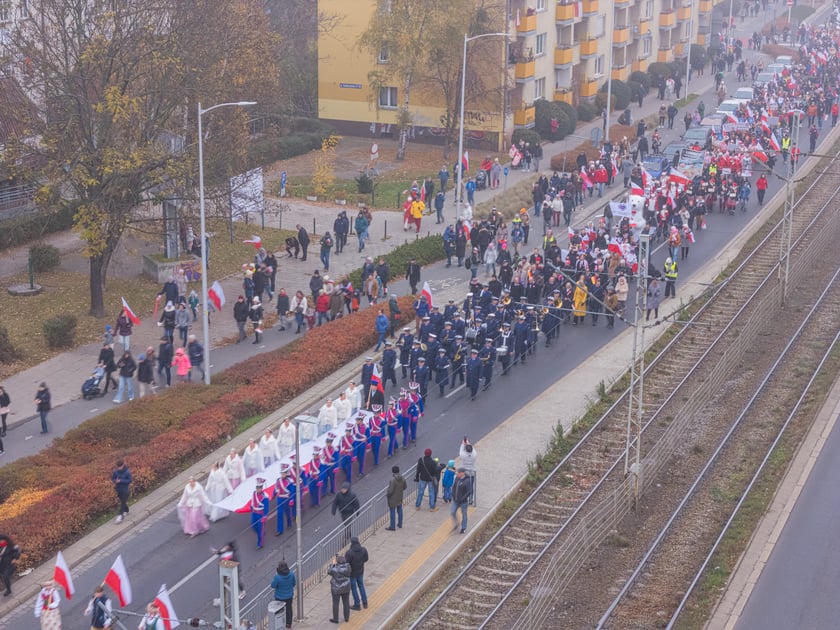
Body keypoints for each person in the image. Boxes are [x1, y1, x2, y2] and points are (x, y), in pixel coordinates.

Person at [345, 536, 369, 610]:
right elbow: (366, 559)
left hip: (352, 573)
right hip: (360, 571)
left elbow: (346, 563)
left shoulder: (349, 552)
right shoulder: (363, 550)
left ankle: (357, 604)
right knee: (361, 585)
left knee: (354, 588)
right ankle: (365, 602)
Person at [271, 561, 296, 629]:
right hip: (289, 596)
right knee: (289, 610)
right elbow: (294, 583)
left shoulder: (278, 577)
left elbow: (273, 585)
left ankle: (279, 625)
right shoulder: (291, 574)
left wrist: (276, 575)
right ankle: (289, 624)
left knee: (279, 612)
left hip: (279, 597)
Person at [328, 554, 352, 624]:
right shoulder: (348, 567)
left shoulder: (335, 569)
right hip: (346, 587)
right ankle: (346, 618)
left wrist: (333, 564)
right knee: (346, 602)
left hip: (336, 588)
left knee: (335, 603)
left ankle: (336, 619)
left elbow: (329, 571)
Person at [250, 478, 270, 549]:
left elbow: (266, 507)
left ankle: (260, 544)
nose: (257, 489)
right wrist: (251, 506)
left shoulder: (265, 497)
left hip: (260, 514)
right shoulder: (254, 493)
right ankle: (261, 533)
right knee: (253, 526)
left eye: (259, 488)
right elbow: (253, 500)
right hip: (254, 513)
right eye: (257, 487)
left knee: (260, 529)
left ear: (262, 488)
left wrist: (265, 516)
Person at [385, 465, 407, 530]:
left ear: (392, 472)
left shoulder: (393, 480)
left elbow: (390, 491)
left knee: (392, 512)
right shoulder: (402, 478)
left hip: (393, 499)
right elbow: (405, 487)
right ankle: (400, 524)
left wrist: (387, 494)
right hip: (400, 497)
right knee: (400, 510)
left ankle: (392, 526)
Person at [450, 467, 471, 534]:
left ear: (462, 473)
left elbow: (469, 491)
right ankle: (456, 523)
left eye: (459, 472)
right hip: (455, 500)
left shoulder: (467, 481)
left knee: (464, 514)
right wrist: (453, 494)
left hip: (463, 502)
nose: (457, 474)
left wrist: (463, 498)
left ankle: (463, 527)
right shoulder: (457, 478)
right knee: (452, 512)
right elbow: (454, 487)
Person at [112, 459, 132, 523]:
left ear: (123, 465)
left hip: (125, 489)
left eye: (120, 466)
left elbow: (129, 481)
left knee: (122, 503)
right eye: (118, 467)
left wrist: (121, 481)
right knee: (122, 501)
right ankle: (127, 510)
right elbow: (113, 478)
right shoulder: (115, 471)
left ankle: (120, 516)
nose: (119, 468)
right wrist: (115, 481)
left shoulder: (127, 472)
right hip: (118, 489)